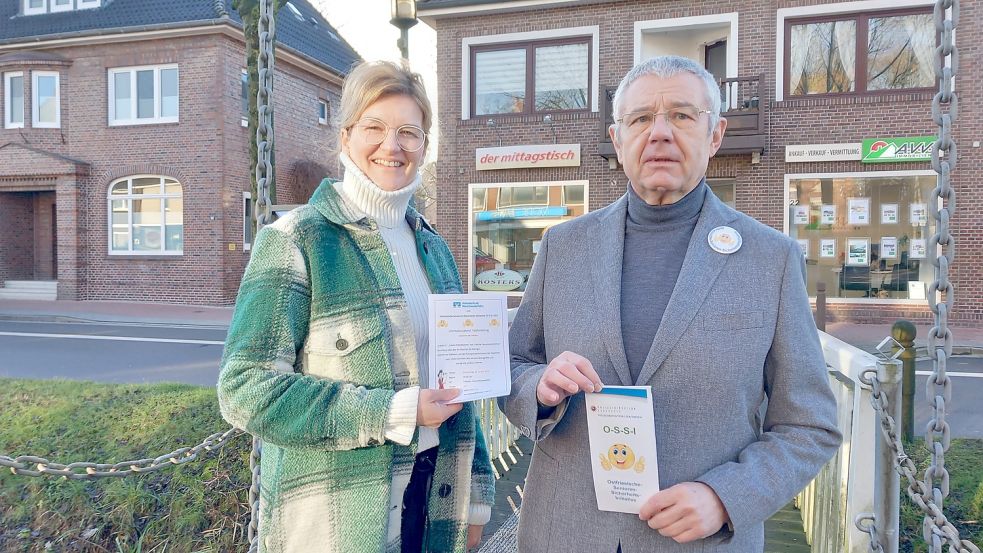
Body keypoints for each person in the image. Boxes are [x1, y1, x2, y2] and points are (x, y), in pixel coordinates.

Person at [500, 55, 841, 552]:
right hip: (565, 532)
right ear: (618, 141)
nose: (659, 133)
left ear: (715, 135)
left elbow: (809, 425)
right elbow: (511, 365)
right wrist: (539, 386)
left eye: (681, 115)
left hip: (699, 543)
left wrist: (726, 497)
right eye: (640, 119)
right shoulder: (563, 246)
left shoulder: (771, 259)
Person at [218, 60, 494, 553]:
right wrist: (392, 411)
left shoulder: (436, 248)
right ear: (345, 138)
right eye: (375, 127)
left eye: (409, 132)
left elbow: (465, 381)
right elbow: (244, 390)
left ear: (424, 147)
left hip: (435, 498)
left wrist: (476, 496)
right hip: (339, 517)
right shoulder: (295, 240)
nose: (393, 146)